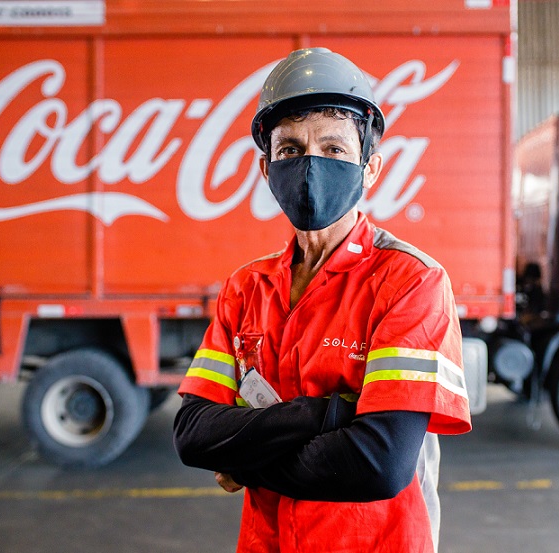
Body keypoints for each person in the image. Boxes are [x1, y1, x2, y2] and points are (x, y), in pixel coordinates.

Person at [173, 47, 471, 553]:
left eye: (333, 149)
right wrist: (327, 416)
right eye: (289, 150)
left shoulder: (411, 282)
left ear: (369, 168)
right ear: (267, 171)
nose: (310, 165)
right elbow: (193, 434)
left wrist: (247, 457)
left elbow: (377, 465)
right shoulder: (245, 288)